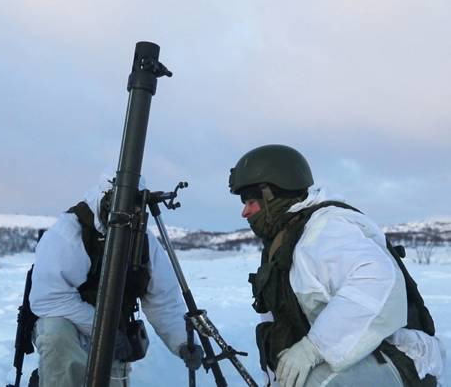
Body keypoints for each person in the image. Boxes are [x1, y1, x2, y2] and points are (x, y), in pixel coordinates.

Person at [228, 144, 445, 387]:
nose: (244, 213)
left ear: (272, 194)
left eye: (250, 202)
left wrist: (313, 349)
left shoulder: (326, 229)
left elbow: (377, 280)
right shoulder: (282, 245)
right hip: (354, 362)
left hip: (401, 357)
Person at [29, 172, 203, 386]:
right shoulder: (68, 232)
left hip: (114, 333)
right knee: (56, 333)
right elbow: (47, 300)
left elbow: (163, 300)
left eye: (137, 204)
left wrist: (183, 342)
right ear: (106, 198)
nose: (131, 212)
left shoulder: (143, 241)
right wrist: (103, 331)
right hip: (69, 328)